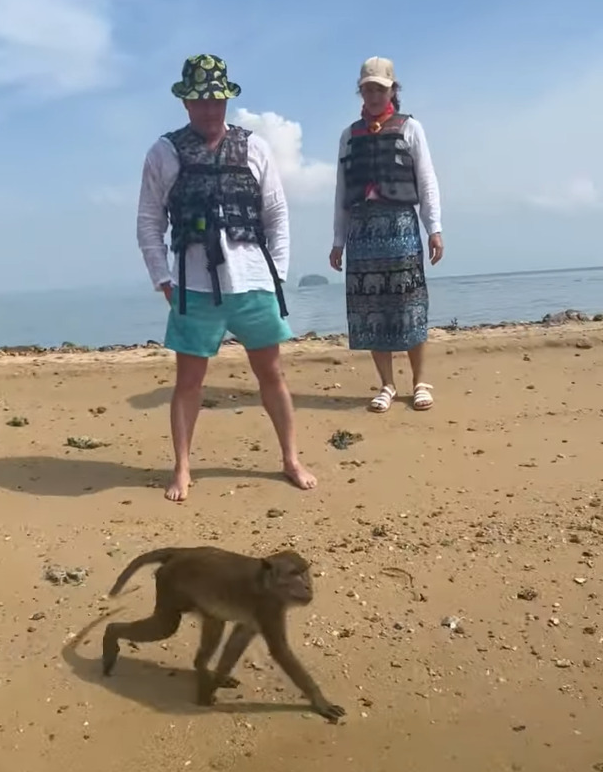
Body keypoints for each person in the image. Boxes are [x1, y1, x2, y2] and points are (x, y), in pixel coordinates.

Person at [137, 53, 316, 501]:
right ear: (185, 104)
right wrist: (162, 276)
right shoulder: (164, 151)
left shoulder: (254, 147)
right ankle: (182, 467)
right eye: (200, 101)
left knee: (271, 374)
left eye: (217, 100)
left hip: (254, 281)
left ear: (226, 100)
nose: (210, 109)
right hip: (192, 285)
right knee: (188, 382)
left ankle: (290, 457)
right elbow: (149, 220)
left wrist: (278, 274)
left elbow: (276, 214)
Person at [329, 57, 443, 413]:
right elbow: (341, 190)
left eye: (381, 87)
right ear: (360, 91)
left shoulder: (411, 128)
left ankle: (419, 382)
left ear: (393, 89)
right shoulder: (349, 135)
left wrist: (434, 229)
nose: (374, 94)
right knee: (372, 309)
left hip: (401, 227)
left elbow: (427, 181)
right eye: (368, 88)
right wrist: (338, 240)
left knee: (410, 306)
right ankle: (387, 385)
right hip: (362, 232)